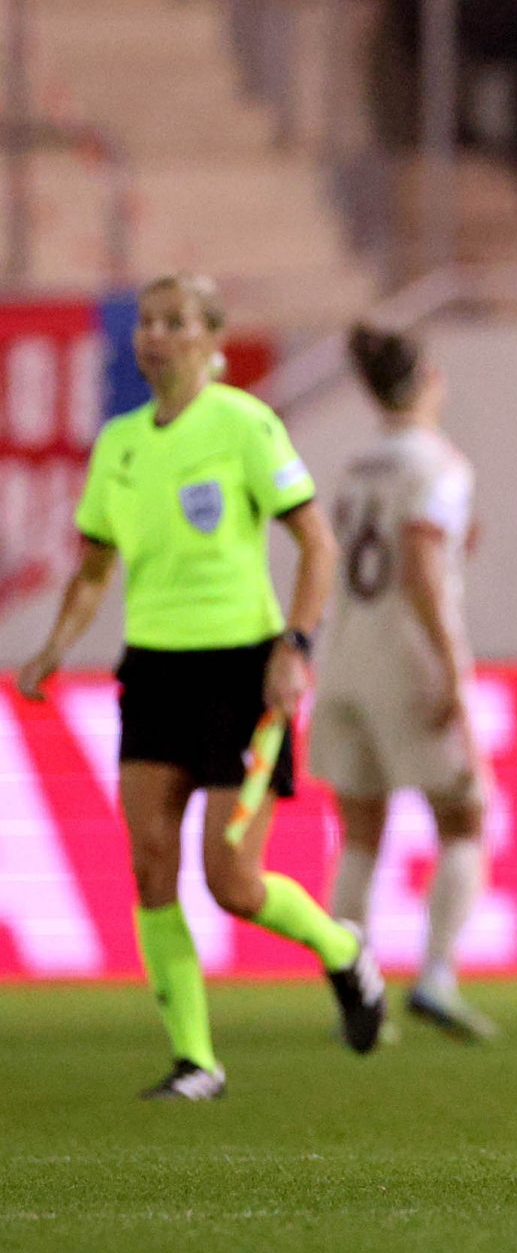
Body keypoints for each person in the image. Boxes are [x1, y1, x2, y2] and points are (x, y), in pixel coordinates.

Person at [13, 273, 382, 1099]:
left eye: (175, 321)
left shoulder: (244, 424)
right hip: (153, 670)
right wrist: (51, 649)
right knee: (148, 863)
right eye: (147, 321)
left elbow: (316, 545)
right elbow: (94, 567)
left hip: (240, 669)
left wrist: (295, 646)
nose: (156, 334)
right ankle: (195, 1061)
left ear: (210, 340)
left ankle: (342, 950)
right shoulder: (120, 443)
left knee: (232, 882)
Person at [314, 323, 494, 1042]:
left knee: (360, 832)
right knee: (465, 816)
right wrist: (452, 669)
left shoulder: (356, 466)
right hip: (407, 662)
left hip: (345, 658)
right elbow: (419, 565)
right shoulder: (439, 464)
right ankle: (438, 977)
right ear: (426, 378)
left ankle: (354, 995)